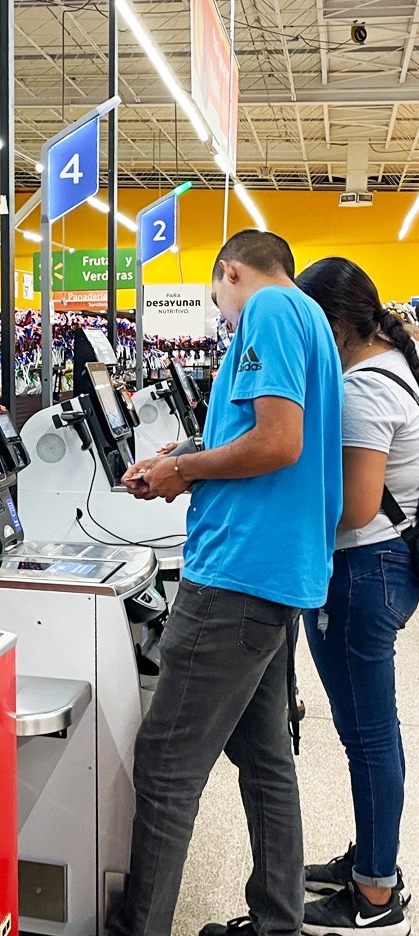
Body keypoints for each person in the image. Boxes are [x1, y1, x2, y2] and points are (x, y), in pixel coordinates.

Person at [114, 229, 344, 936]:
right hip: (278, 576)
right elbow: (264, 436)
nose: (222, 315)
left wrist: (183, 471)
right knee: (264, 755)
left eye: (219, 301)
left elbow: (278, 442)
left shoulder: (268, 311)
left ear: (230, 272)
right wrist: (182, 457)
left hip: (235, 576)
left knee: (165, 767)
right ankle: (279, 921)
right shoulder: (311, 322)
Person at [296, 257, 419, 935]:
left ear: (339, 324)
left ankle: (375, 898)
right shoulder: (394, 365)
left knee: (369, 737)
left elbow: (354, 505)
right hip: (389, 566)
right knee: (374, 734)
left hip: (364, 569)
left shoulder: (363, 390)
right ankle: (374, 862)